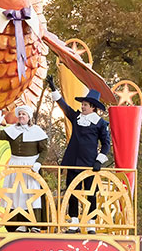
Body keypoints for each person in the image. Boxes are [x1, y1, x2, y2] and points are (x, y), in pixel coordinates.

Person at [47, 78, 111, 234]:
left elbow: (106, 144)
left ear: (93, 107)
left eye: (85, 105)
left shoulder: (101, 123)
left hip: (90, 164)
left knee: (91, 193)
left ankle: (91, 224)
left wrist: (99, 160)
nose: (82, 106)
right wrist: (54, 89)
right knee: (72, 191)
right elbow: (65, 107)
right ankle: (74, 222)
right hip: (73, 162)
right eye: (82, 104)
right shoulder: (76, 118)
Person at [0, 105, 49, 232]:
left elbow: (44, 150)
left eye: (24, 114)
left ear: (29, 117)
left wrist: (39, 163)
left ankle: (34, 224)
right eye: (20, 114)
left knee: (32, 195)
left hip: (31, 166)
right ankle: (20, 224)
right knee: (17, 195)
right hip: (15, 165)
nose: (22, 116)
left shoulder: (37, 131)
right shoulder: (12, 130)